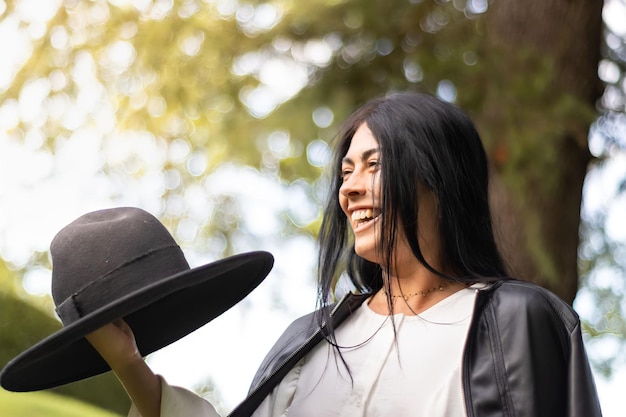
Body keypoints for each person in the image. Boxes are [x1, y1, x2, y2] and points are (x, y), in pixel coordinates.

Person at [86, 92, 602, 417]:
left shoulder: (516, 322)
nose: (349, 189)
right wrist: (130, 365)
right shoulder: (310, 340)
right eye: (346, 171)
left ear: (439, 181)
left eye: (374, 165)